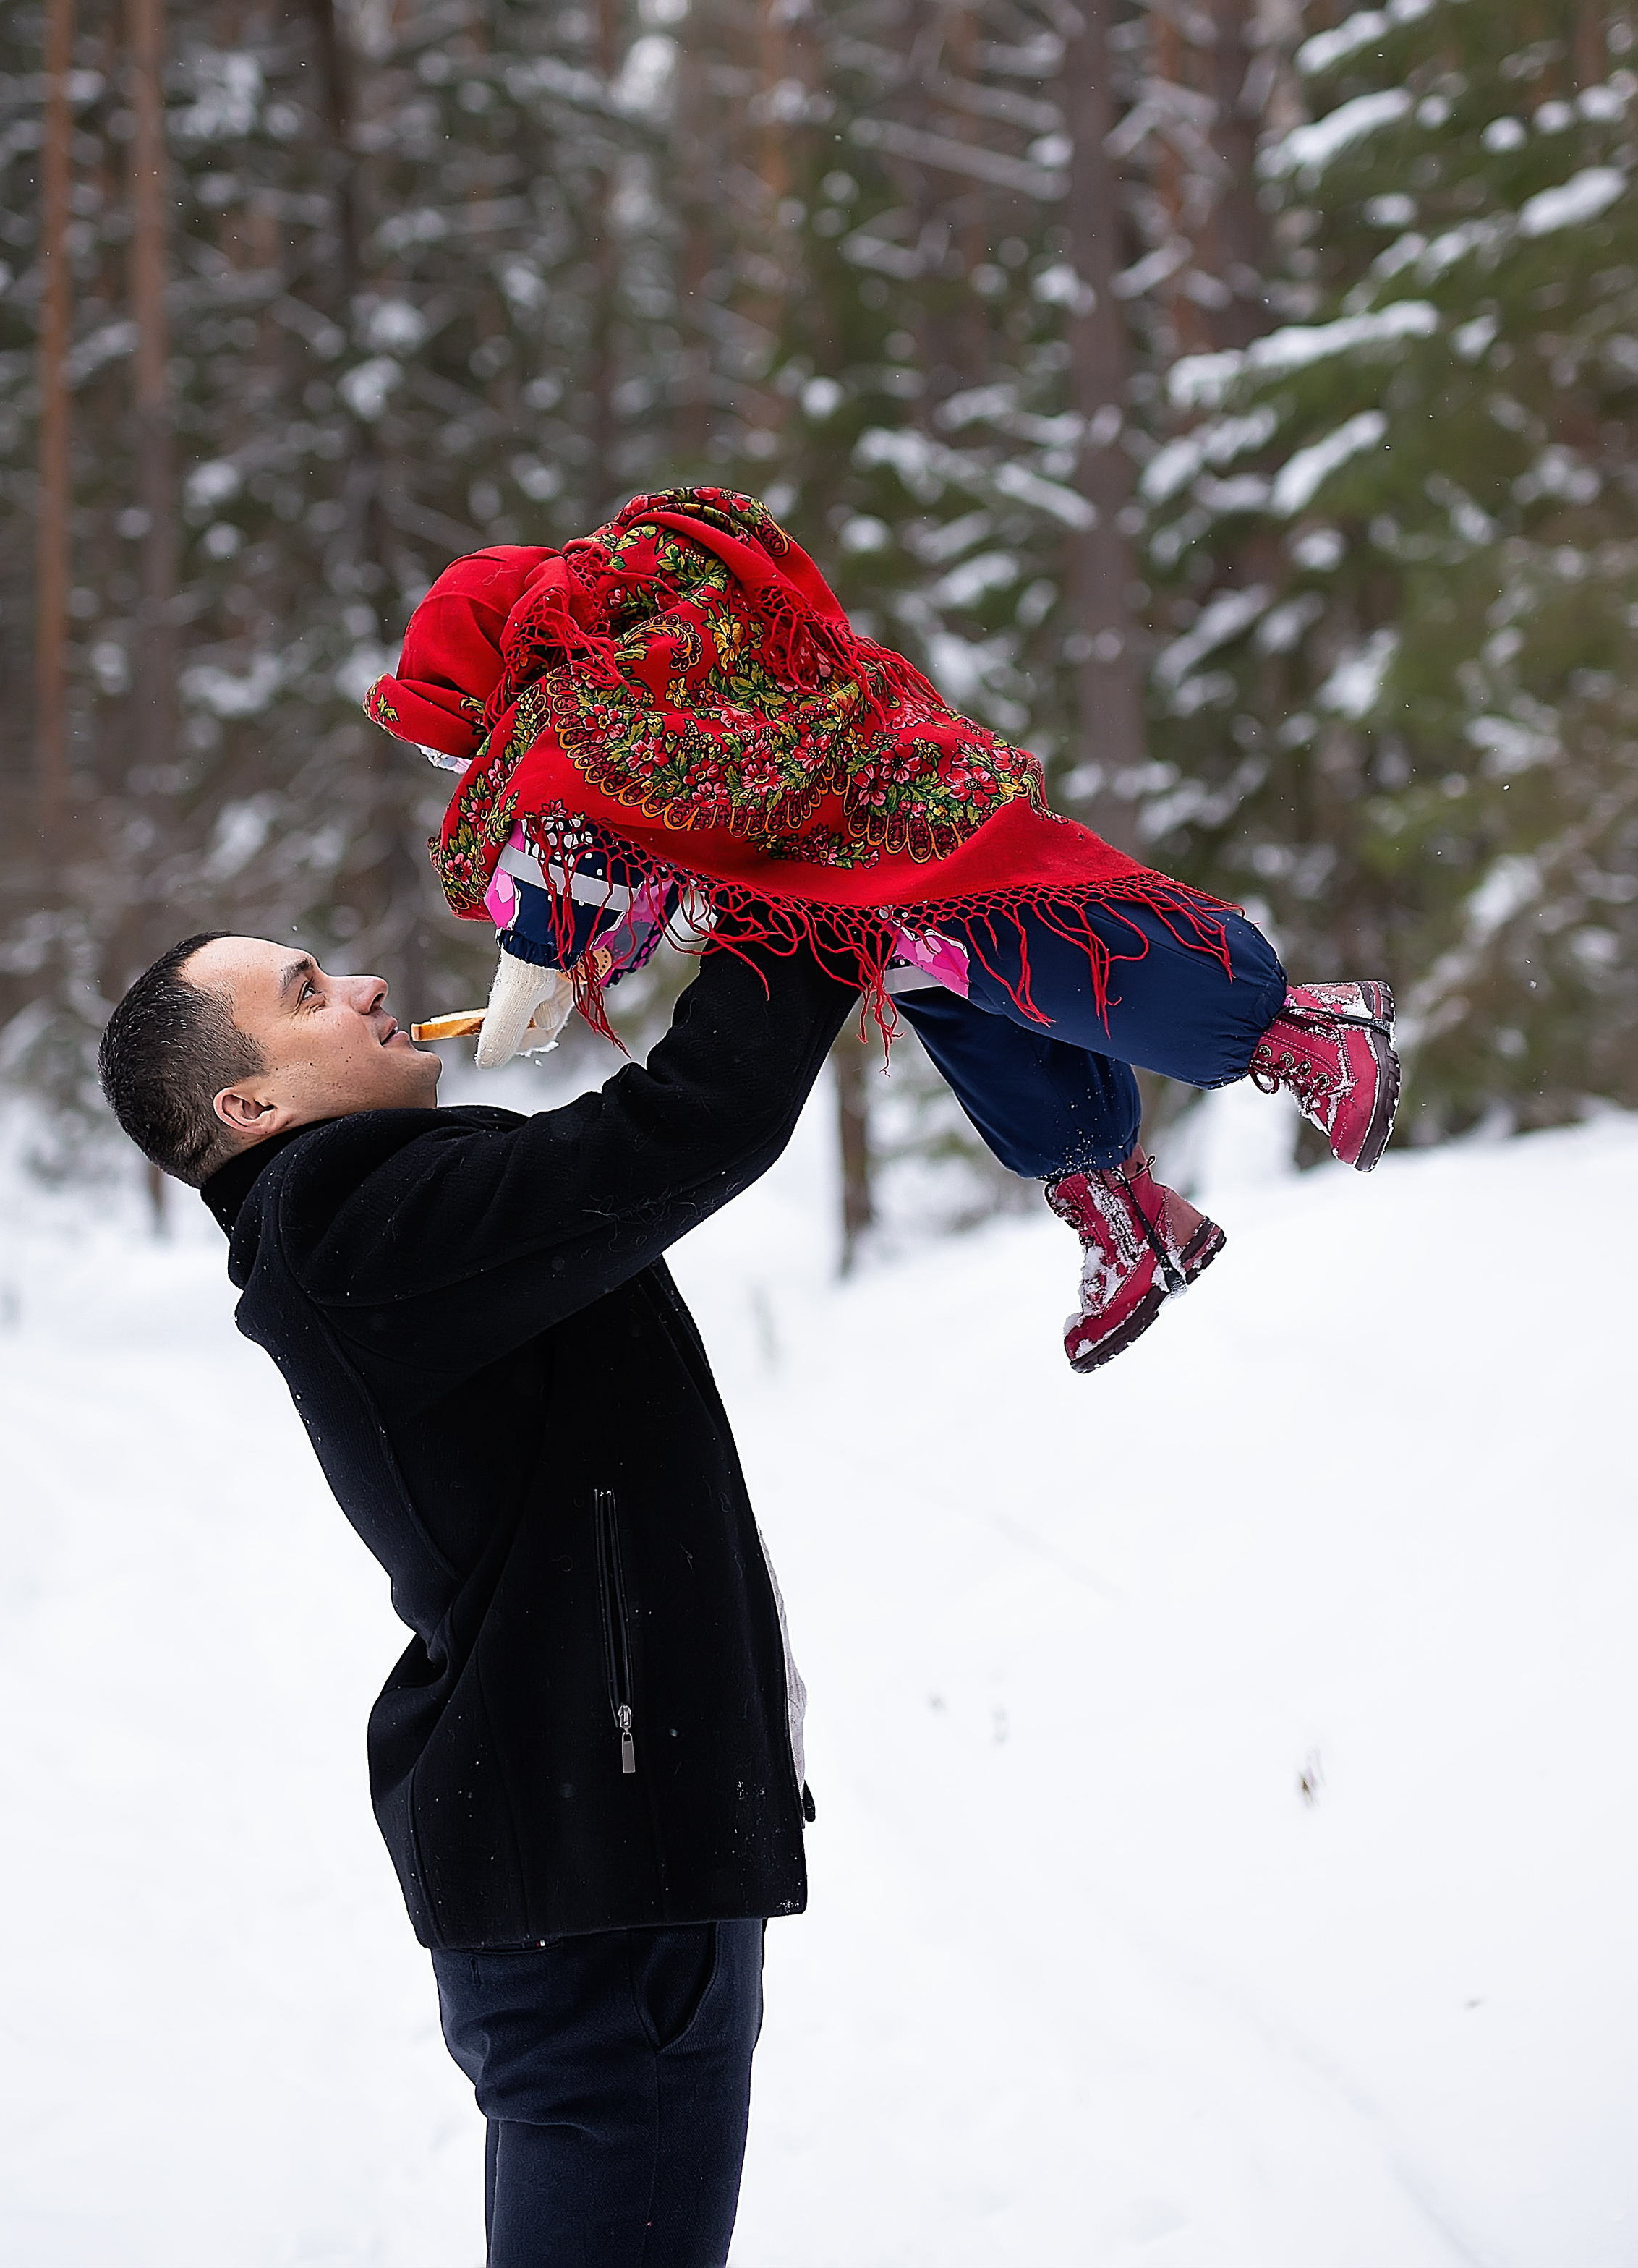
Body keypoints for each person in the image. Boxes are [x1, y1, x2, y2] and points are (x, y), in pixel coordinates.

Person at [98, 921, 862, 2267]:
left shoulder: (374, 1212)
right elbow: (686, 1127)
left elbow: (612, 1167)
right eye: (308, 995)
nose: (365, 985)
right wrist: (799, 907)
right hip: (602, 1868)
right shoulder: (351, 1229)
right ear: (250, 1106)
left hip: (603, 1854)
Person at [365, 487, 1400, 1373]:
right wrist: (572, 956)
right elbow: (638, 847)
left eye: (454, 736)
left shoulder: (594, 697)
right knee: (979, 1010)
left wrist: (540, 957)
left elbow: (578, 836)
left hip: (910, 820)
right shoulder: (618, 684)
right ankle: (1120, 1209)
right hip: (866, 874)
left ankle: (1299, 1030)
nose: (463, 765)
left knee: (1055, 952)